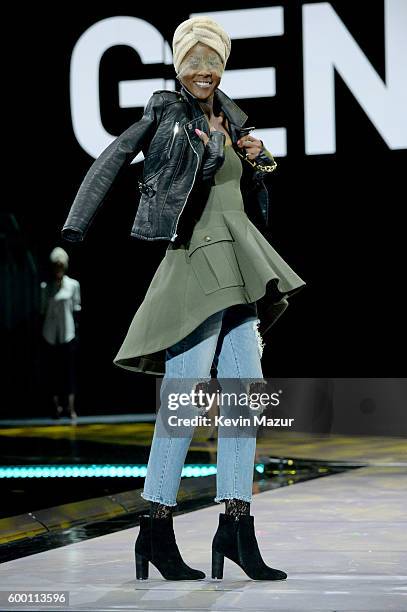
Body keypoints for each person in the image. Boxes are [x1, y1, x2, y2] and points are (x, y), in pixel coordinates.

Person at [61, 16, 306, 580]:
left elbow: (240, 195)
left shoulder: (233, 118)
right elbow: (113, 159)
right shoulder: (167, 115)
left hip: (239, 263)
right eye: (193, 61)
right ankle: (155, 528)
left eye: (213, 60)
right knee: (183, 403)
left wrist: (257, 163)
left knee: (247, 401)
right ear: (178, 65)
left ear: (223, 65)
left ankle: (236, 526)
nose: (204, 70)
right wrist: (77, 225)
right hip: (197, 264)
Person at [40, 247, 81, 420]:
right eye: (55, 266)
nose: (58, 268)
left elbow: (76, 308)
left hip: (68, 333)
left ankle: (70, 408)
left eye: (60, 265)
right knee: (53, 373)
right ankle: (56, 407)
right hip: (50, 334)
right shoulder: (46, 287)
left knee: (68, 372)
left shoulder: (73, 285)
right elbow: (42, 310)